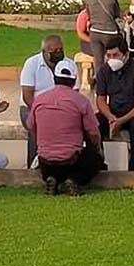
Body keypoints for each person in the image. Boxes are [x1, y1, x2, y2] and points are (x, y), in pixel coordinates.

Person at [29, 57, 104, 196]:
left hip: (45, 159)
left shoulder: (39, 100)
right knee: (95, 160)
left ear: (54, 77)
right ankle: (73, 180)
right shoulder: (80, 101)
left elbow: (32, 127)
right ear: (74, 80)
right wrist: (97, 149)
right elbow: (93, 133)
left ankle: (52, 179)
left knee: (52, 165)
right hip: (71, 159)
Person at [95, 35, 134, 171]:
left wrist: (121, 120)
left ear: (125, 54)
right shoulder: (104, 71)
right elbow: (100, 99)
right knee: (93, 123)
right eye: (108, 55)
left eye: (116, 55)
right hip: (114, 111)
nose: (112, 59)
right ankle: (98, 164)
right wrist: (110, 117)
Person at [20, 34, 65, 167]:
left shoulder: (68, 64)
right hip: (32, 108)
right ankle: (33, 165)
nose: (58, 53)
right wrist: (41, 113)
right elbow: (27, 96)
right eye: (54, 51)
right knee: (35, 125)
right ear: (44, 51)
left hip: (60, 109)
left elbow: (74, 92)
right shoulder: (31, 64)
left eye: (60, 50)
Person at [85, 0, 122, 76]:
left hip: (95, 31)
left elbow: (88, 13)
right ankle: (112, 78)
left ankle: (100, 81)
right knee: (113, 57)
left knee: (98, 59)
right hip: (110, 31)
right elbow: (116, 14)